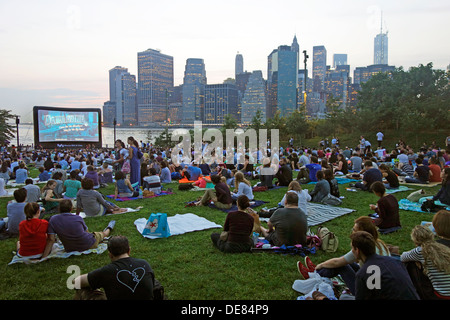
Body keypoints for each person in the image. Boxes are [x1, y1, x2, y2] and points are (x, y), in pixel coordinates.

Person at [304, 216, 391, 297]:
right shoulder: (380, 244)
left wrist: (321, 265)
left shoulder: (363, 248)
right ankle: (318, 272)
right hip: (381, 287)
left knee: (342, 265)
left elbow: (337, 262)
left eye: (354, 230)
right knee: (347, 262)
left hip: (368, 293)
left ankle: (316, 273)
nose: (352, 231)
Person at [72, 235, 156, 300]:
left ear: (110, 254)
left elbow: (75, 282)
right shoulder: (144, 264)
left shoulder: (106, 272)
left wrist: (95, 284)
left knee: (82, 289)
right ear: (129, 250)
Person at [351, 231, 419, 300]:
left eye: (352, 248)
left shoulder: (363, 273)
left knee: (345, 297)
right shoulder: (395, 261)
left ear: (357, 250)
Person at [43, 200, 115, 258]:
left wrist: (44, 257)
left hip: (69, 248)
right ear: (71, 209)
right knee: (104, 234)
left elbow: (51, 239)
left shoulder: (53, 219)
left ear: (59, 209)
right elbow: (87, 232)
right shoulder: (77, 218)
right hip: (87, 244)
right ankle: (110, 227)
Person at [401, 225, 450, 300]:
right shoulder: (442, 247)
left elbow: (402, 257)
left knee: (411, 263)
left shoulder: (420, 251)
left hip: (442, 294)